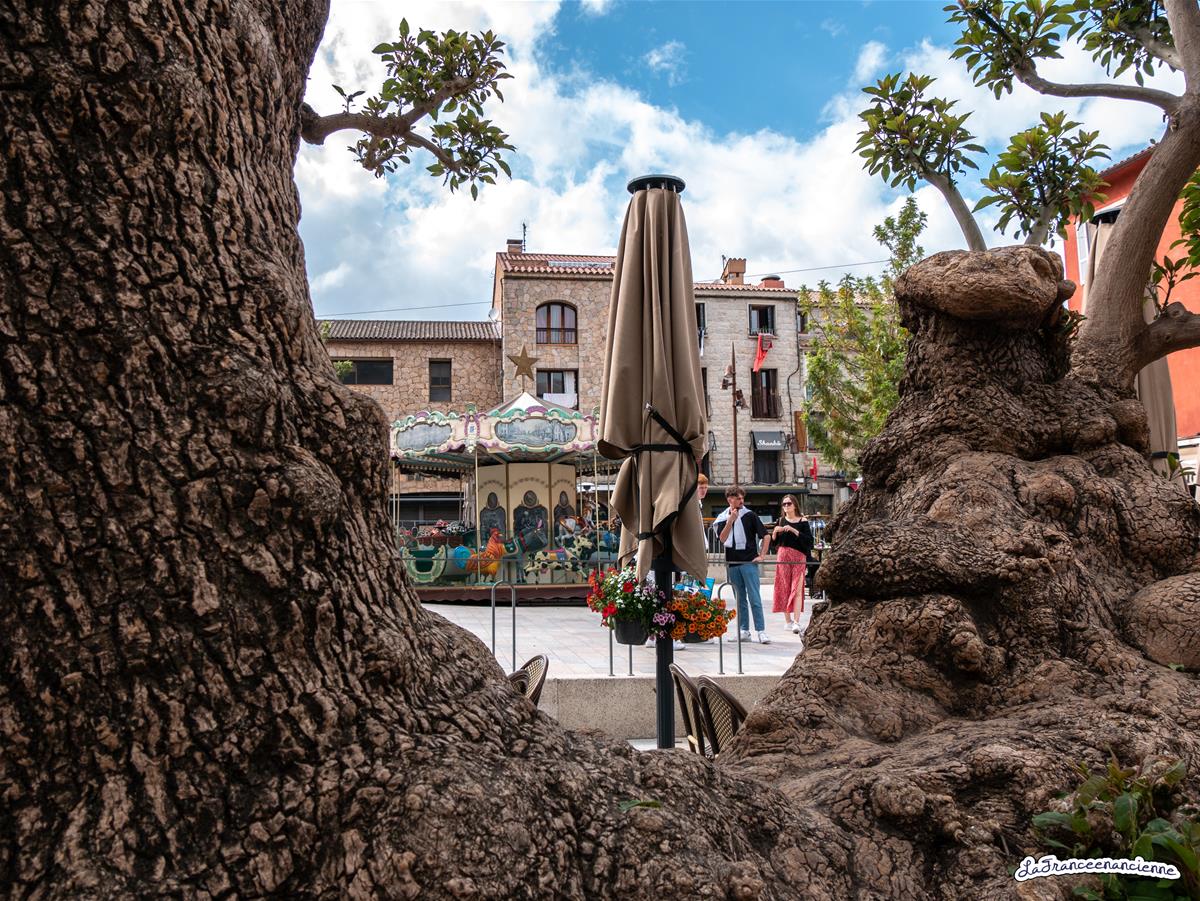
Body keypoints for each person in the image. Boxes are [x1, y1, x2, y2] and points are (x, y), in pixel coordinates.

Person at [713, 485, 769, 643]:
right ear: (729, 499)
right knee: (739, 599)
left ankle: (761, 631)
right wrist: (730, 520)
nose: (741, 501)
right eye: (738, 498)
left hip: (749, 561)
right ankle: (744, 630)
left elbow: (766, 536)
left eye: (742, 498)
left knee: (754, 598)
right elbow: (722, 538)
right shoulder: (722, 517)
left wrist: (762, 555)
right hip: (732, 563)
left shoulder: (750, 515)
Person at [760, 495, 814, 635]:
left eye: (789, 503)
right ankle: (788, 621)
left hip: (799, 557)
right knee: (784, 587)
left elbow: (809, 542)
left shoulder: (803, 521)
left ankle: (796, 621)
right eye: (784, 504)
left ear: (795, 505)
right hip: (783, 555)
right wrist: (774, 533)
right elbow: (775, 543)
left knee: (797, 589)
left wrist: (794, 530)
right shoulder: (780, 521)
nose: (786, 506)